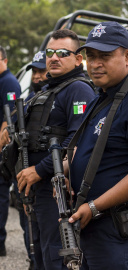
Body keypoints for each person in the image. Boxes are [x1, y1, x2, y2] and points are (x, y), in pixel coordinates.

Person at [68, 21, 128, 269]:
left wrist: (93, 206)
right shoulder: (103, 96)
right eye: (90, 56)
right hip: (95, 222)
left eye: (105, 56)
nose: (95, 64)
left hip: (116, 225)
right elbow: (91, 153)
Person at [16, 29, 95, 269]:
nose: (54, 57)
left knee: (56, 255)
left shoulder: (79, 89)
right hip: (37, 187)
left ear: (78, 59)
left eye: (63, 53)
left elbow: (76, 141)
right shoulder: (48, 90)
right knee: (39, 251)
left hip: (58, 189)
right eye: (50, 52)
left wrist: (39, 170)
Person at [15, 51, 48, 270]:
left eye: (41, 71)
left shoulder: (57, 95)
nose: (37, 76)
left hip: (43, 179)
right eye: (34, 71)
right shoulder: (32, 97)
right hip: (26, 178)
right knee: (30, 231)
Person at [0, 45, 21, 257]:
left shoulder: (9, 82)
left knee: (0, 195)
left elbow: (10, 118)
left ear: (4, 60)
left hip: (4, 150)